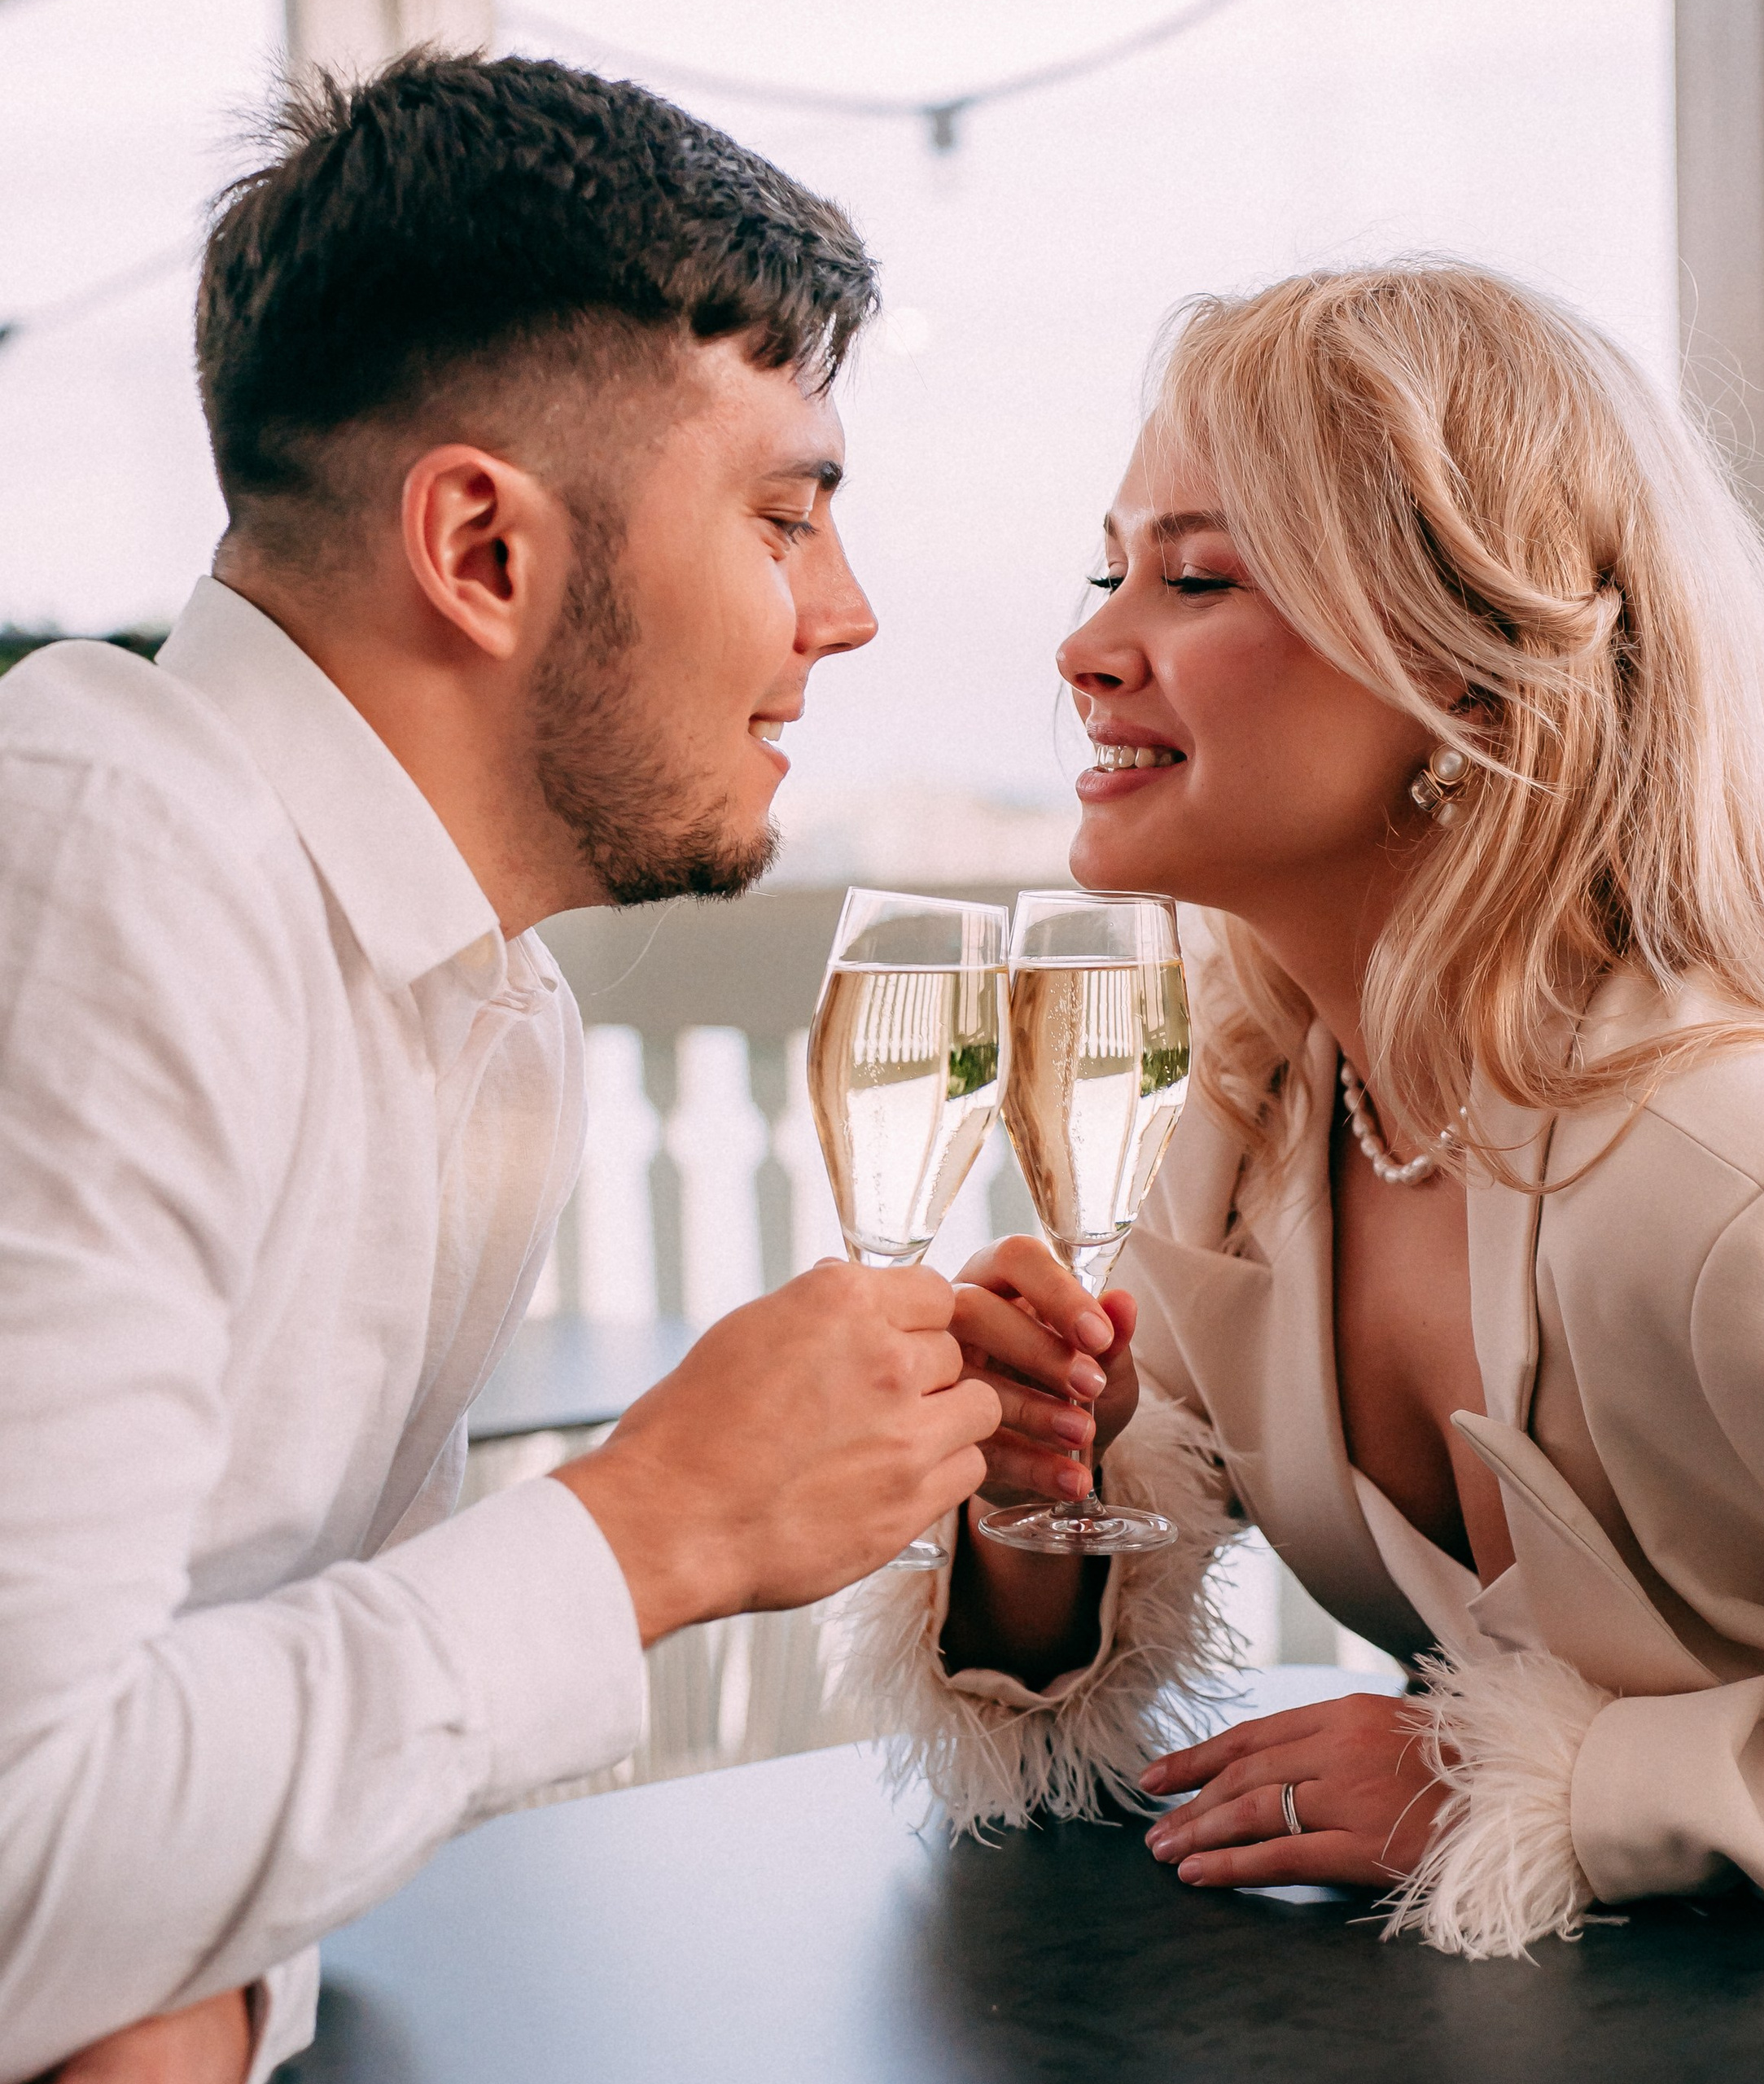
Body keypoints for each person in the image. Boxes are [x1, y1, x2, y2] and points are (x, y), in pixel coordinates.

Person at [0, 55, 1120, 2084]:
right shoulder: (98, 863)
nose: (846, 612)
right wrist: (653, 1524)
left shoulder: (496, 1016)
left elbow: (252, 1825)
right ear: (482, 549)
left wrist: (199, 1986)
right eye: (783, 514)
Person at [857, 260, 1764, 1958]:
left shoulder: (1757, 1189)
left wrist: (1577, 1796)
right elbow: (1078, 1626)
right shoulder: (1253, 1118)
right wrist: (1027, 1489)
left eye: (1197, 576)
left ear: (1469, 675)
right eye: (1108, 568)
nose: (1083, 648)